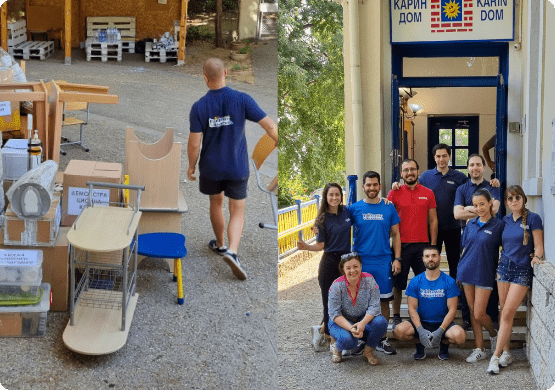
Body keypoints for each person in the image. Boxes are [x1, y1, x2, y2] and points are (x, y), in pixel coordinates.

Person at [187, 58, 278, 281]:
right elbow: (269, 125)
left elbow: (194, 143)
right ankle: (233, 251)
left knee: (216, 203)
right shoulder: (242, 99)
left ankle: (220, 245)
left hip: (211, 169)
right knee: (237, 210)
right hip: (237, 168)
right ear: (226, 73)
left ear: (205, 78)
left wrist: (191, 166)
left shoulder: (199, 106)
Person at [487, 185, 544, 374]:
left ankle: (494, 358)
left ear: (523, 199)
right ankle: (506, 352)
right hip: (503, 269)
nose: (514, 201)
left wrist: (536, 257)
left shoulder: (533, 218)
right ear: (506, 202)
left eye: (517, 197)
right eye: (510, 199)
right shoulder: (505, 220)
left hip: (521, 271)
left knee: (507, 313)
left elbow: (539, 247)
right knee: (504, 312)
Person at [348, 171, 401, 355]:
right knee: (361, 302)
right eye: (368, 185)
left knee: (384, 301)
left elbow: (396, 234)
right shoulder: (354, 209)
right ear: (363, 187)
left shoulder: (388, 207)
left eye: (375, 184)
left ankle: (381, 338)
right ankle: (363, 337)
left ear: (380, 186)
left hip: (383, 261)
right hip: (361, 261)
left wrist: (397, 258)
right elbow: (338, 224)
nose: (371, 188)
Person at [297, 183, 351, 351]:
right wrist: (306, 246)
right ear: (326, 198)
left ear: (341, 196)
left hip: (346, 263)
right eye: (331, 195)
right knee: (329, 303)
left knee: (343, 302)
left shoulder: (347, 212)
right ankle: (332, 341)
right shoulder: (321, 219)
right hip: (329, 263)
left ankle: (320, 330)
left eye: (337, 194)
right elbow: (320, 246)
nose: (334, 198)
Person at [387, 159, 438, 330]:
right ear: (401, 174)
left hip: (423, 245)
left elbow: (433, 220)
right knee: (398, 283)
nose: (409, 173)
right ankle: (396, 316)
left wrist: (433, 246)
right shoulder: (394, 193)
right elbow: (387, 219)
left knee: (425, 283)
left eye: (412, 169)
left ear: (418, 171)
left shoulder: (428, 193)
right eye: (406, 170)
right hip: (401, 246)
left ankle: (425, 314)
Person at [394, 246, 466, 360]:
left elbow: (452, 310)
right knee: (398, 331)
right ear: (423, 259)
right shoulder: (415, 281)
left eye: (434, 256)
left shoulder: (449, 281)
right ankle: (420, 343)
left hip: (442, 322)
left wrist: (441, 330)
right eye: (427, 256)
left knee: (460, 336)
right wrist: (420, 330)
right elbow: (412, 308)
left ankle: (444, 343)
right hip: (422, 322)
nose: (430, 259)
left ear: (439, 258)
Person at [456, 189, 504, 363]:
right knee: (471, 312)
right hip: (466, 271)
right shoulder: (470, 224)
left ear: (490, 203)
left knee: (478, 313)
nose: (478, 208)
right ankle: (479, 348)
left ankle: (494, 335)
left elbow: (507, 248)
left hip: (485, 273)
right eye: (475, 205)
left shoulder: (499, 226)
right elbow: (465, 249)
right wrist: (459, 272)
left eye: (482, 204)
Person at [454, 154, 501, 328]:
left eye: (478, 164)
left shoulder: (492, 186)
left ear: (483, 167)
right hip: (469, 236)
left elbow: (494, 209)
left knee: (489, 274)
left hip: (489, 237)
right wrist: (482, 211)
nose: (475, 167)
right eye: (472, 164)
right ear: (468, 168)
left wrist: (469, 209)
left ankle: (492, 316)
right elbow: (457, 214)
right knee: (468, 276)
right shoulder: (462, 189)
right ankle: (467, 318)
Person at [418, 144, 468, 280]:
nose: (441, 159)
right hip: (432, 229)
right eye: (438, 156)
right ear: (434, 158)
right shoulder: (425, 177)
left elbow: (473, 191)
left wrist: (492, 184)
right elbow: (412, 190)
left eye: (444, 156)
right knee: (431, 262)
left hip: (454, 227)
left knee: (455, 262)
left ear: (449, 157)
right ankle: (433, 291)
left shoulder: (460, 177)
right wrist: (397, 187)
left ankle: (455, 294)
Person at [328, 252, 389, 364]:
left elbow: (374, 307)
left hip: (362, 318)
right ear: (343, 269)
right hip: (341, 321)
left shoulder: (370, 280)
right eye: (348, 268)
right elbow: (334, 313)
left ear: (361, 266)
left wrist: (362, 323)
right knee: (349, 342)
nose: (353, 271)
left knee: (381, 322)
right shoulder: (336, 286)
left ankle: (368, 351)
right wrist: (351, 328)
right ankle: (337, 347)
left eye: (356, 266)